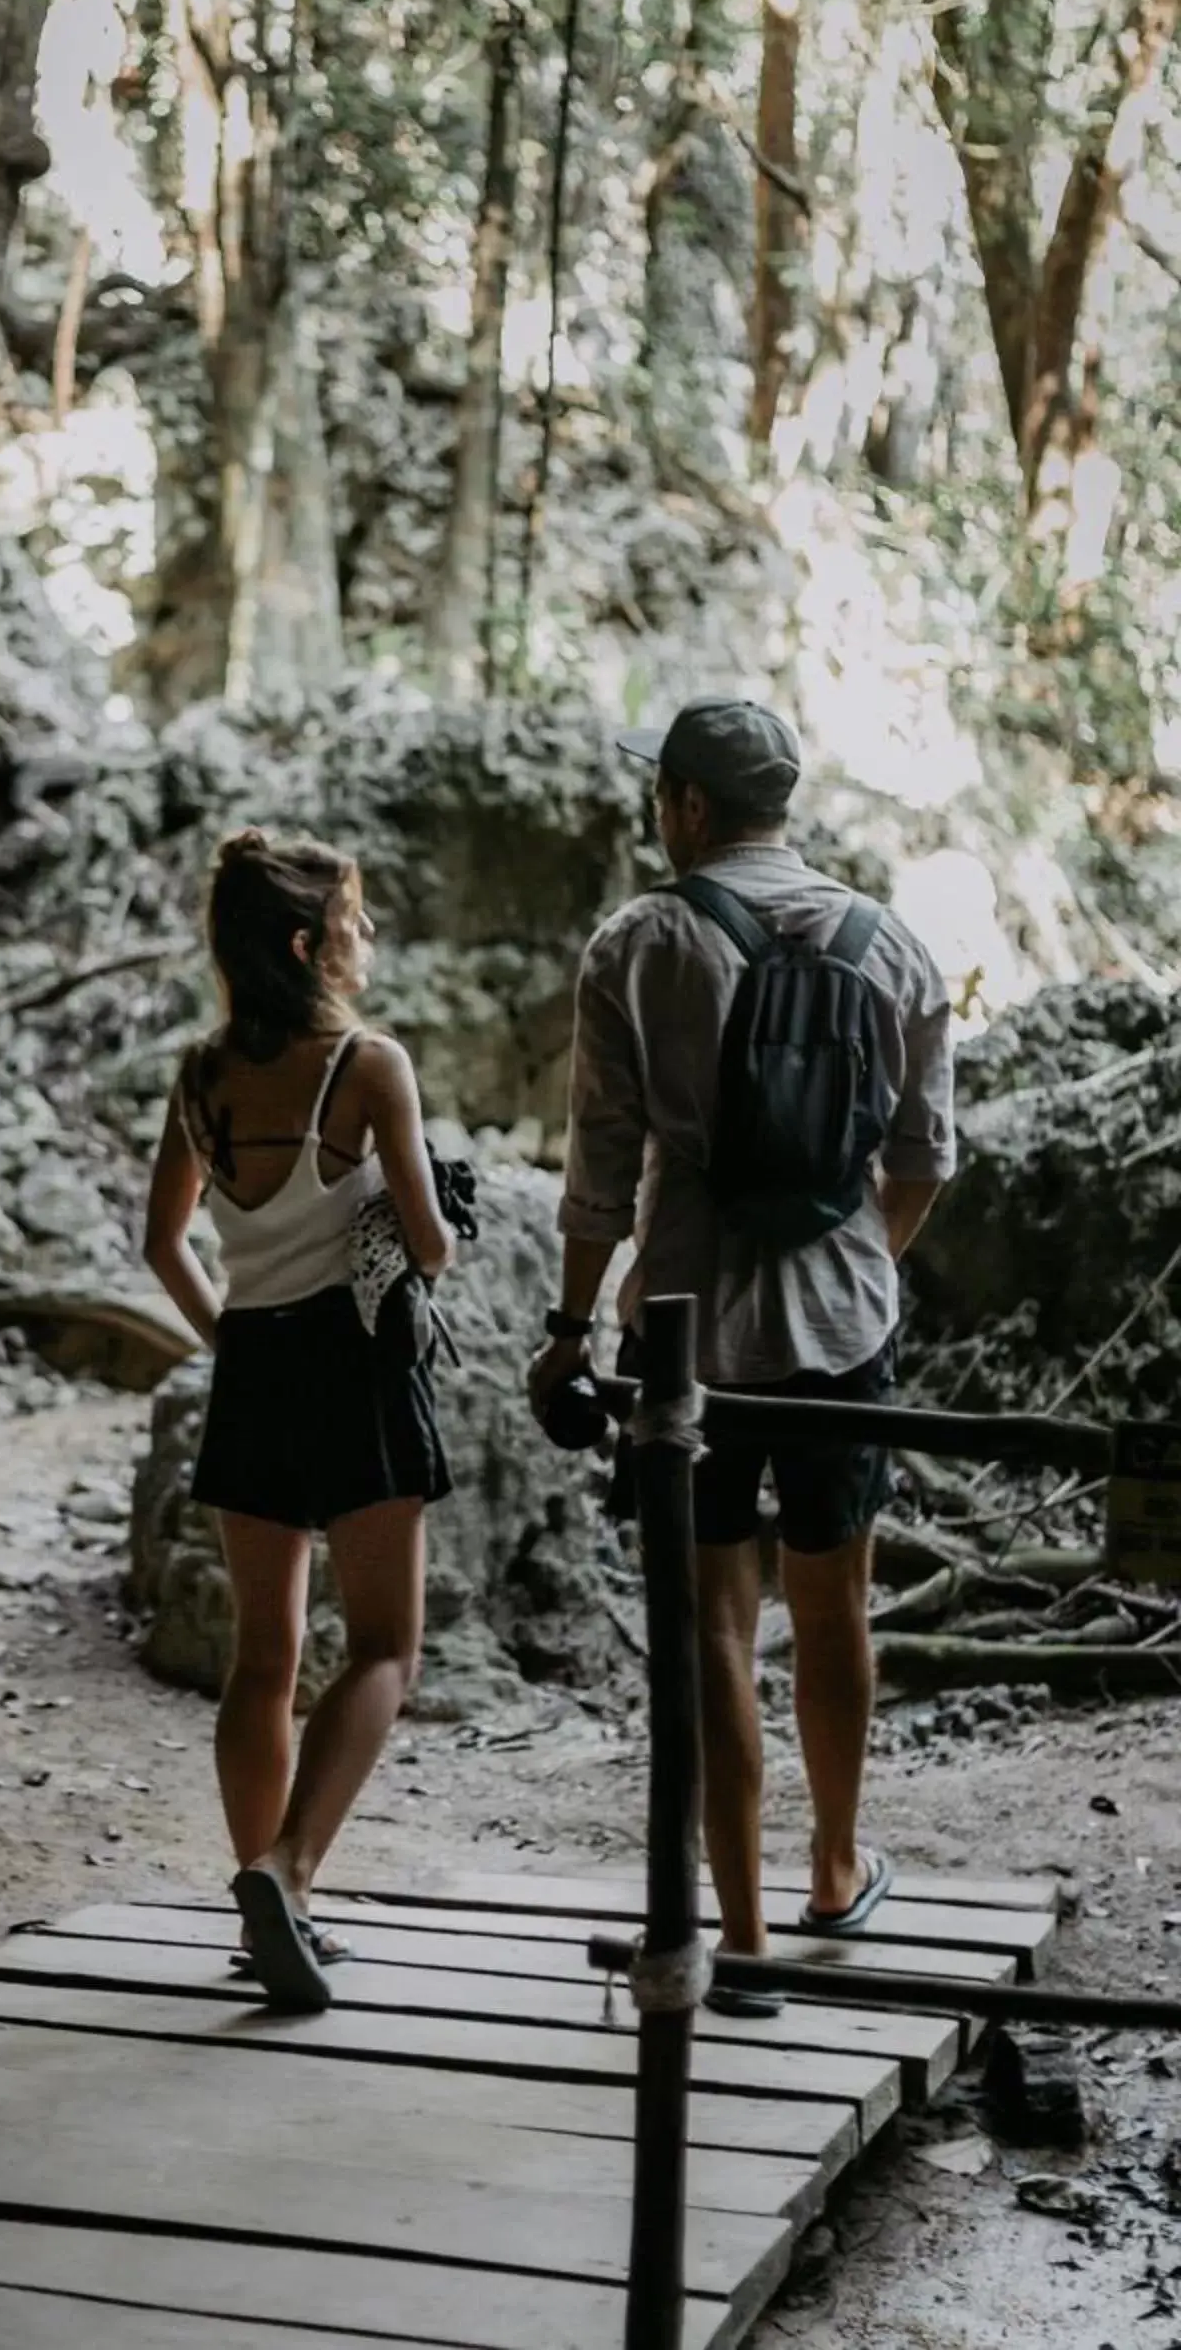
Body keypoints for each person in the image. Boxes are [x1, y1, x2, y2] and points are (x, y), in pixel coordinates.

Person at [527, 697, 955, 2006]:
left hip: (686, 1335)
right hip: (841, 1327)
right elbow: (925, 1157)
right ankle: (835, 1866)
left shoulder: (641, 943)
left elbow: (601, 1169)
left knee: (715, 1622)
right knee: (835, 1600)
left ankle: (747, 1937)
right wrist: (859, 1259)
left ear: (691, 808)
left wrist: (569, 1327)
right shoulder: (894, 947)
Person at [142, 827, 456, 2014]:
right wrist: (413, 1206)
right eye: (352, 923)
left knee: (262, 1659)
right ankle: (291, 1867)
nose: (364, 939)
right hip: (358, 1367)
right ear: (302, 943)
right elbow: (427, 1247)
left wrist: (230, 1338)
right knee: (383, 1646)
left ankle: (263, 1904)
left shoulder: (199, 1076)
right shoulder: (368, 1066)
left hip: (256, 1369)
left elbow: (161, 1241)